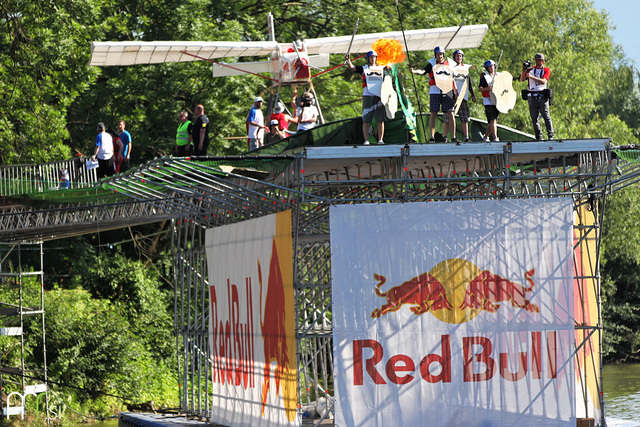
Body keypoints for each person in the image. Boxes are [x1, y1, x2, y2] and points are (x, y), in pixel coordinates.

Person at [410, 46, 457, 143]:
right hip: (435, 91)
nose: (439, 56)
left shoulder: (449, 64)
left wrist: (455, 91)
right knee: (433, 113)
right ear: (435, 55)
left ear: (443, 55)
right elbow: (423, 71)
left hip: (447, 90)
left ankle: (453, 137)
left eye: (441, 54)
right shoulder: (431, 64)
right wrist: (414, 71)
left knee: (450, 113)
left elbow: (453, 78)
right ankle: (432, 137)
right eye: (437, 54)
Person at [345, 50, 387, 145]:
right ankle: (366, 140)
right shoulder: (364, 68)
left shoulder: (382, 69)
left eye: (374, 57)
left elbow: (387, 82)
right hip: (368, 95)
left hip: (379, 96)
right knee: (366, 119)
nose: (373, 59)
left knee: (380, 119)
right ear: (368, 58)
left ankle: (380, 140)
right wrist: (348, 61)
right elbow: (352, 67)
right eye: (371, 57)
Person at [520, 53, 554, 140]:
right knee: (534, 118)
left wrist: (531, 76)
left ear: (543, 61)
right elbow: (522, 79)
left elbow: (543, 81)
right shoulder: (531, 69)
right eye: (536, 60)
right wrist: (524, 70)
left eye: (539, 60)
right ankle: (538, 136)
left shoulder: (546, 70)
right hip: (532, 96)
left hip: (542, 95)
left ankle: (550, 135)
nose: (537, 62)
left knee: (546, 116)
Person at [450, 50, 476, 142]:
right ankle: (452, 137)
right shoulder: (451, 68)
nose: (459, 58)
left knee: (464, 117)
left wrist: (473, 94)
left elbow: (469, 82)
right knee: (450, 116)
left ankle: (466, 137)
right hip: (453, 96)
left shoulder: (465, 68)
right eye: (457, 56)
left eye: (460, 56)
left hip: (463, 96)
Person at [478, 60, 500, 142]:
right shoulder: (485, 77)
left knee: (493, 121)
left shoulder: (498, 76)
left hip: (497, 99)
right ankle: (495, 138)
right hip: (488, 100)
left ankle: (485, 137)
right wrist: (487, 89)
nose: (492, 68)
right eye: (490, 67)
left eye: (493, 66)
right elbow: (480, 88)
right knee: (492, 120)